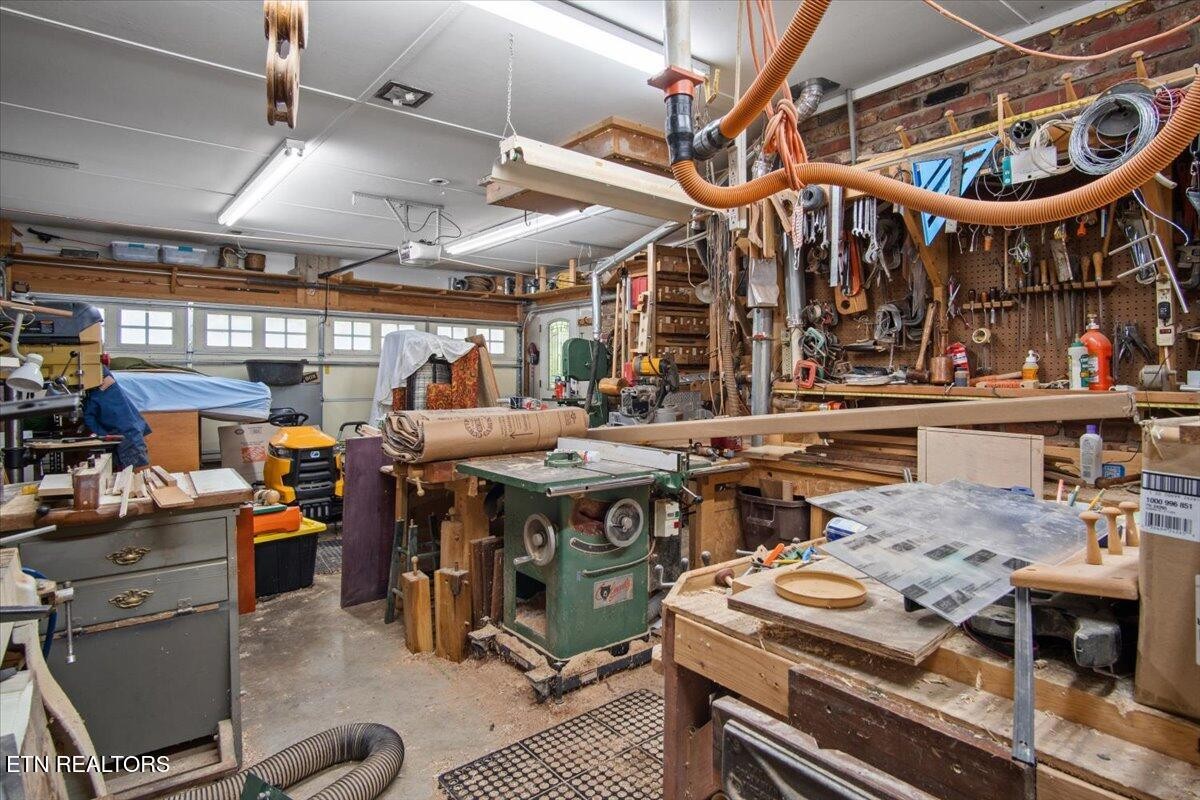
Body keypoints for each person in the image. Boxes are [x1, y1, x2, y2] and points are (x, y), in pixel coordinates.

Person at [82, 367, 151, 469]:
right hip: (129, 434)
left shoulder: (101, 380)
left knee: (122, 474)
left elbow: (89, 416)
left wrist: (102, 435)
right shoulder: (103, 378)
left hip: (126, 437)